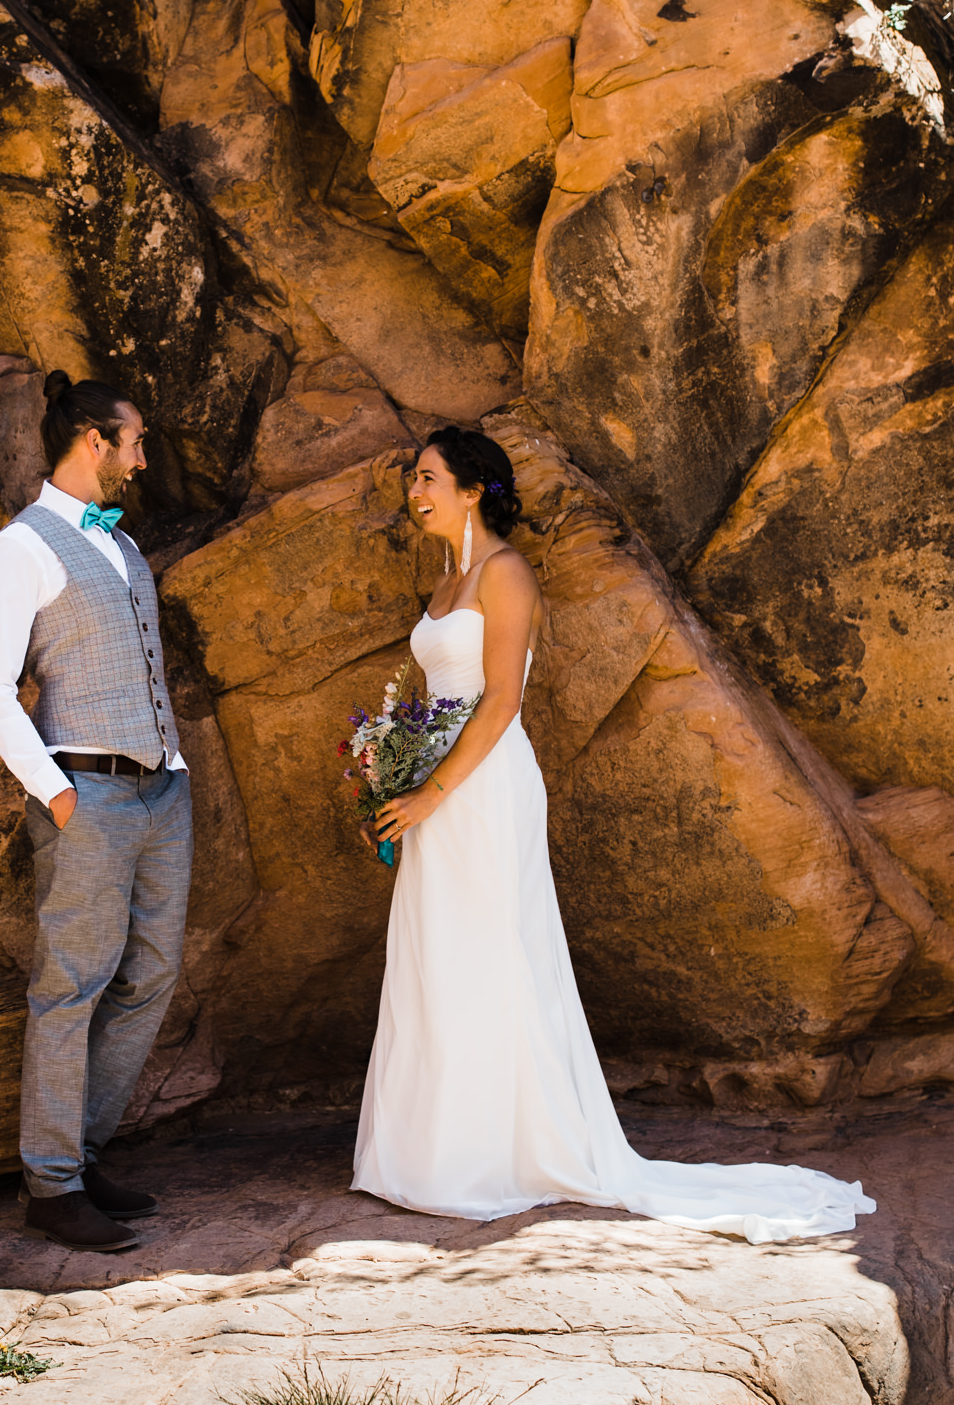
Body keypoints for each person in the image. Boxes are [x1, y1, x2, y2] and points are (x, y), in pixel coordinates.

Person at [352, 425, 874, 1244]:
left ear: (472, 488)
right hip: (436, 783)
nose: (412, 493)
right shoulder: (447, 579)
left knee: (493, 951)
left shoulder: (505, 572)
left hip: (482, 785)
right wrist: (398, 772)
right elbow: (435, 700)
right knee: (434, 952)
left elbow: (499, 702)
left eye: (425, 478)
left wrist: (432, 792)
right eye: (411, 479)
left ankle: (499, 1156)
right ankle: (426, 1154)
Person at [0, 370, 192, 1253]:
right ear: (92, 440)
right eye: (133, 441)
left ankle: (83, 1153)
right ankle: (51, 1184)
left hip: (160, 788)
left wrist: (173, 767)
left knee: (151, 976)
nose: (142, 459)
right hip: (86, 791)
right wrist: (56, 793)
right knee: (70, 987)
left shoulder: (119, 545)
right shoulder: (18, 548)